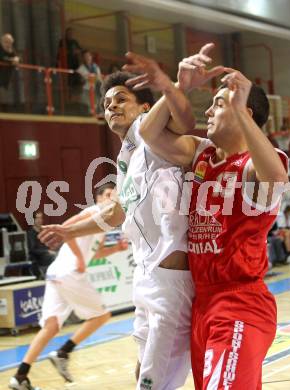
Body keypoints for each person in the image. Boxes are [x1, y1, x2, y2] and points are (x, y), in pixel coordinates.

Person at [124, 44, 288, 389]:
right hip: (202, 304)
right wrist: (174, 87)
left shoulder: (257, 163)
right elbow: (150, 135)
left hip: (240, 302)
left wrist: (239, 108)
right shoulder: (202, 155)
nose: (208, 111)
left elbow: (275, 179)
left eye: (219, 103)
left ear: (247, 112)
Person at [39, 71, 195, 389]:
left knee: (152, 382)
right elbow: (114, 213)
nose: (112, 107)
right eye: (107, 103)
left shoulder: (152, 136)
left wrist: (175, 85)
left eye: (121, 99)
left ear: (145, 108)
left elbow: (182, 120)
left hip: (169, 279)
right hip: (145, 274)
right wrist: (69, 233)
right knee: (142, 371)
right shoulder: (126, 156)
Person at [9, 183, 127, 390]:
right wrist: (80, 258)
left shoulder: (102, 224)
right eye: (108, 195)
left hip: (57, 272)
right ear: (98, 198)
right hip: (69, 272)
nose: (111, 199)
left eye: (113, 196)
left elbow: (96, 253)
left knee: (51, 327)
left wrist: (116, 248)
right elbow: (67, 229)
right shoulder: (93, 211)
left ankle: (20, 376)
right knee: (101, 316)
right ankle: (63, 352)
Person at [27, 211, 56, 279]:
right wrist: (47, 251)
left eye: (41, 218)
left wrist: (51, 249)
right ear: (33, 220)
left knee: (59, 253)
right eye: (37, 218)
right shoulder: (30, 233)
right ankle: (52, 277)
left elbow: (47, 245)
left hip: (46, 255)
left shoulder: (43, 232)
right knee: (53, 256)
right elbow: (32, 250)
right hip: (37, 258)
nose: (39, 220)